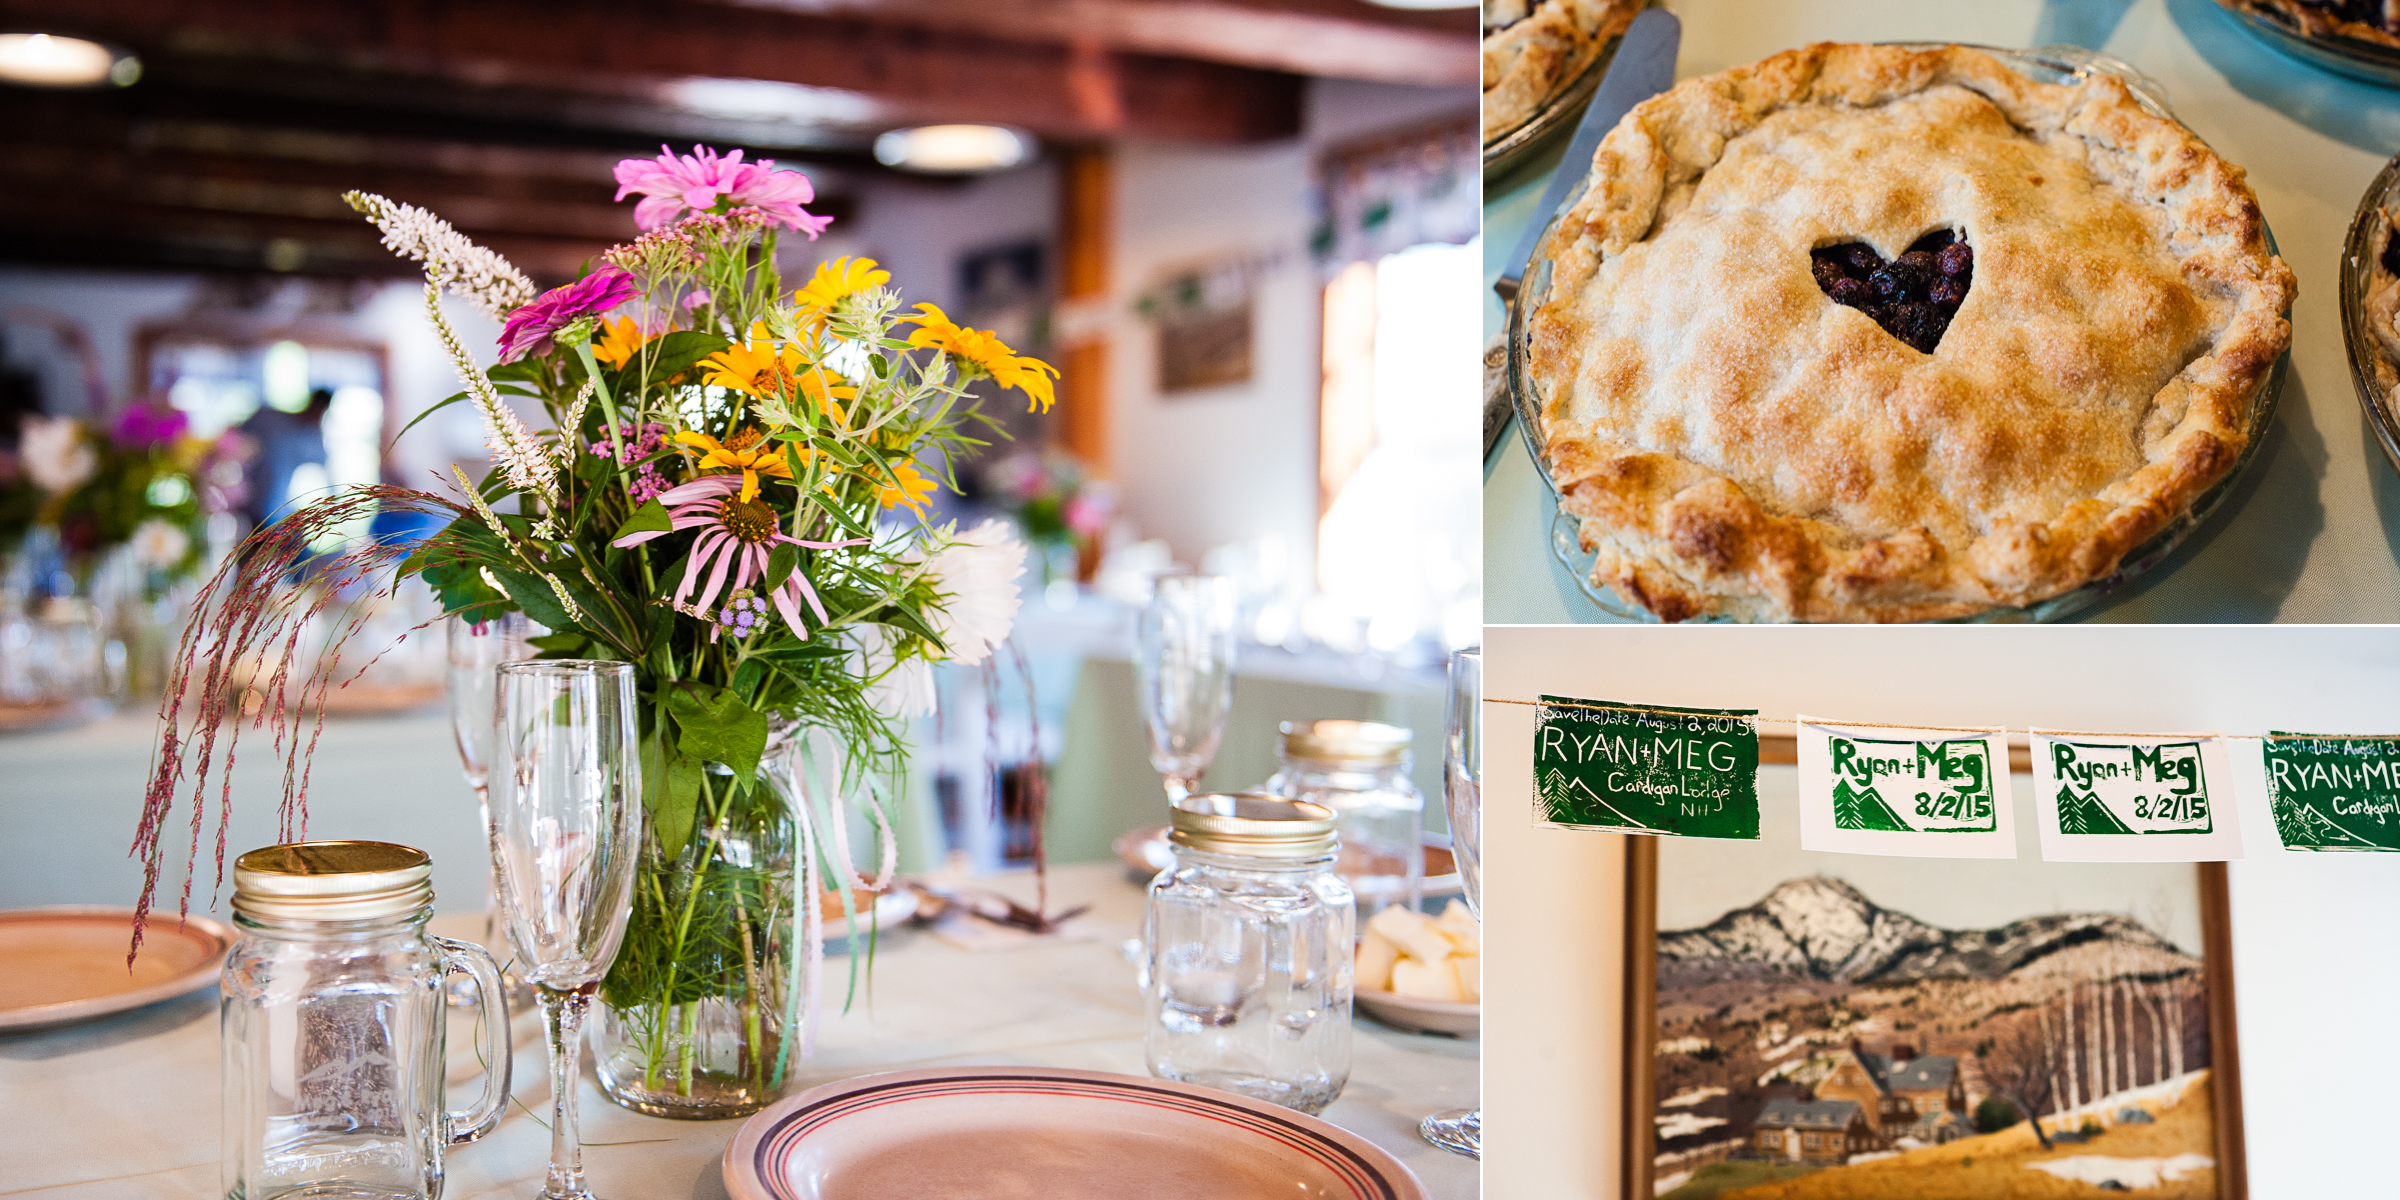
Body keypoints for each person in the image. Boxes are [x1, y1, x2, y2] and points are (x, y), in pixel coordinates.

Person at [238, 386, 330, 528]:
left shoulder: (313, 437)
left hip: (276, 510)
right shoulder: (269, 417)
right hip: (245, 499)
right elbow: (232, 440)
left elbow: (324, 468)